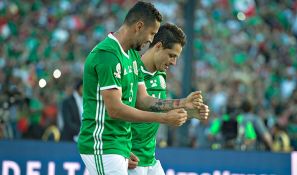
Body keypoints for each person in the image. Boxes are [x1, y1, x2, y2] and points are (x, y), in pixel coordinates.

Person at [78, 1, 208, 175]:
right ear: (139, 26)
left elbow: (142, 100)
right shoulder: (107, 55)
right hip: (103, 144)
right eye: (152, 33)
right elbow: (115, 110)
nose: (151, 40)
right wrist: (163, 118)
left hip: (121, 147)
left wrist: (183, 104)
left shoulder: (131, 55)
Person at [127, 23, 209, 175]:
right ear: (158, 46)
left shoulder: (160, 75)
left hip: (150, 159)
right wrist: (122, 151)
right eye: (171, 55)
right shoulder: (131, 71)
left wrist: (190, 114)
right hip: (131, 160)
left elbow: (158, 107)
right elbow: (119, 112)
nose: (174, 62)